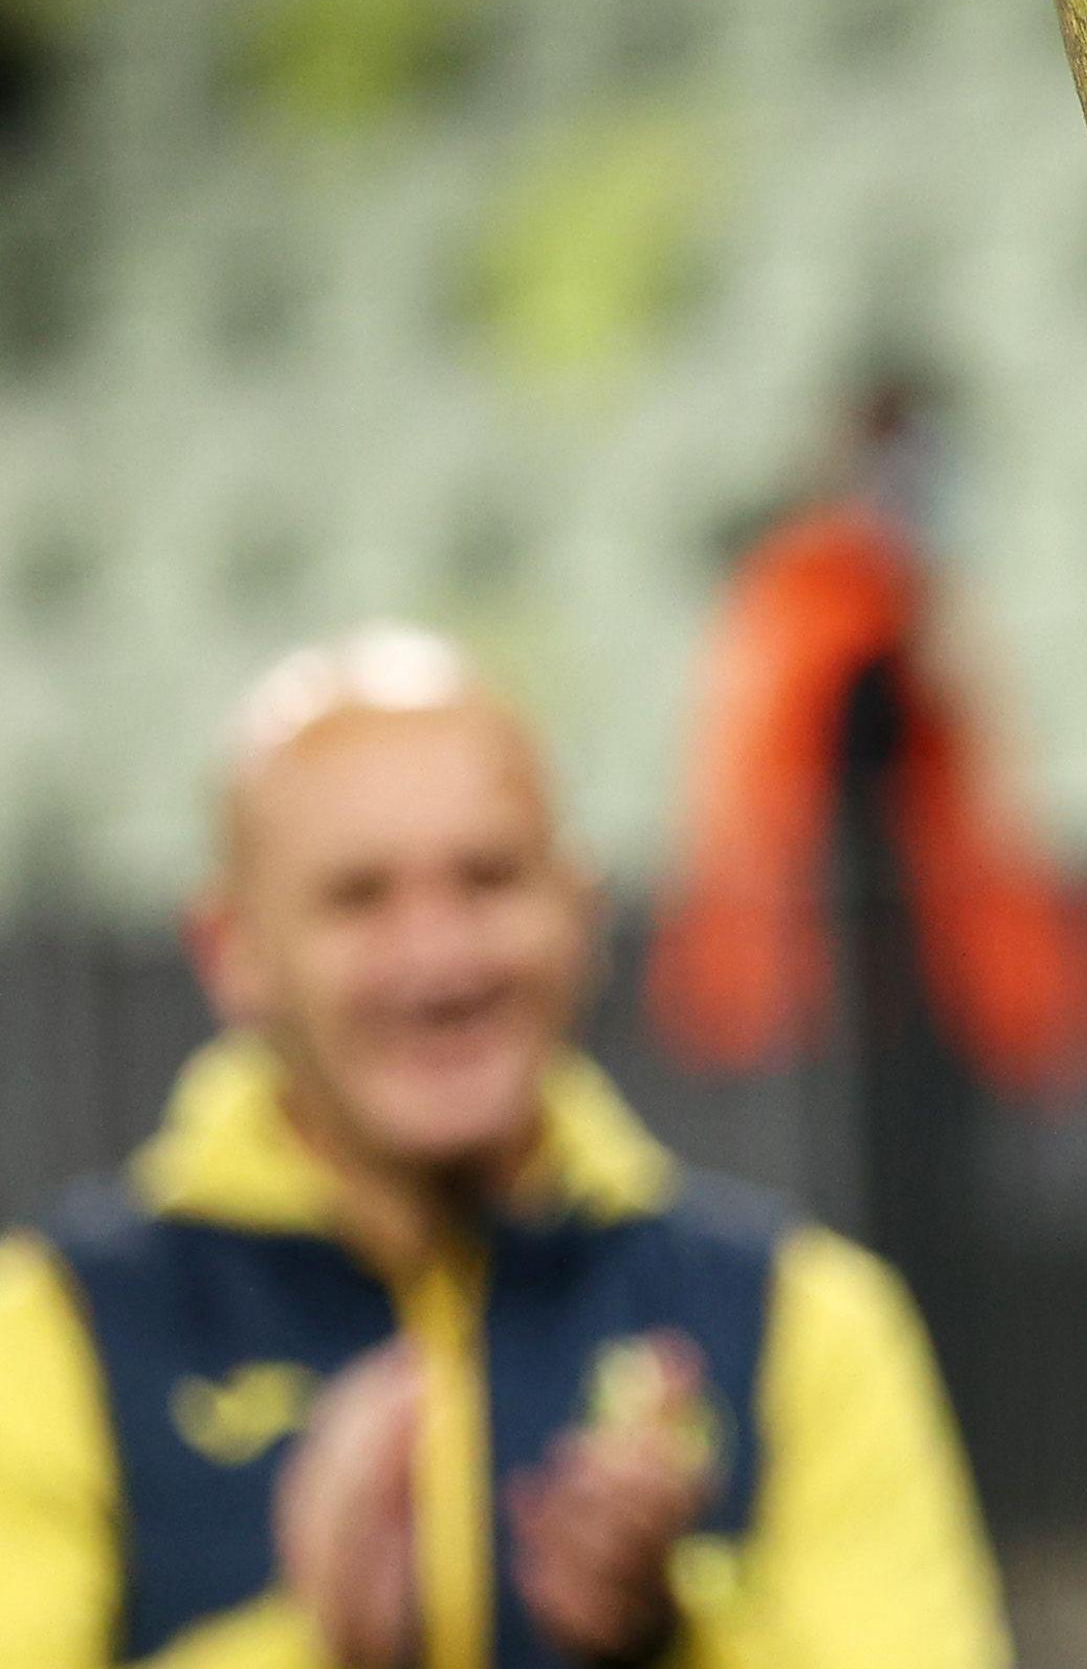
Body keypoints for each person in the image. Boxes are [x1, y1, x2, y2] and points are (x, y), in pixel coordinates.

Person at [0, 625, 1009, 1669]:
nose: (438, 958)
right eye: (359, 897)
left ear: (583, 908)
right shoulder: (50, 1327)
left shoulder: (806, 1314)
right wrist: (310, 1643)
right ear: (232, 948)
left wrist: (668, 1636)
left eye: (488, 879)